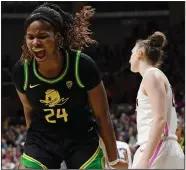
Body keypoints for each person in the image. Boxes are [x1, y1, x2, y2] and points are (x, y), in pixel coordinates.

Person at [11, 2, 128, 169]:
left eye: (43, 36)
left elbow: (103, 115)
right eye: (30, 37)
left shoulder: (82, 65)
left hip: (81, 137)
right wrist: (32, 147)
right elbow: (28, 110)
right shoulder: (22, 70)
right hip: (43, 138)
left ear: (57, 37)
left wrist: (114, 160)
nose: (35, 42)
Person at [129, 31, 184, 169]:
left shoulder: (151, 76)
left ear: (140, 53)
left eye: (131, 53)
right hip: (166, 147)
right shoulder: (156, 76)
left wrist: (145, 159)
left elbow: (160, 119)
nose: (129, 59)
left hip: (158, 146)